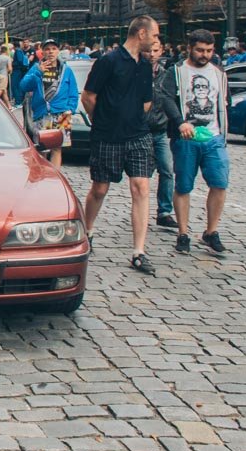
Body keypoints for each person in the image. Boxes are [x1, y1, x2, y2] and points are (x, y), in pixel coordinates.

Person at [81, 16, 160, 275]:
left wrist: (134, 117)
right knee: (100, 188)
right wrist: (103, 119)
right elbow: (88, 96)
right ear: (141, 33)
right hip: (107, 135)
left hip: (138, 135)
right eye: (154, 35)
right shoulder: (109, 61)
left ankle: (139, 251)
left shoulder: (145, 65)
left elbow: (147, 101)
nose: (156, 41)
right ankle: (87, 230)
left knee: (141, 187)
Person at [160, 29, 229, 255]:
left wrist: (223, 132)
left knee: (219, 183)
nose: (204, 55)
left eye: (209, 50)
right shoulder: (177, 71)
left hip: (214, 137)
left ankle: (211, 231)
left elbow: (222, 102)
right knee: (183, 185)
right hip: (185, 138)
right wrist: (180, 122)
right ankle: (183, 233)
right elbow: (166, 98)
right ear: (189, 48)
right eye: (200, 50)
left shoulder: (218, 73)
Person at [20, 39, 79, 168]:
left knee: (57, 149)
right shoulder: (36, 68)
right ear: (42, 52)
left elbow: (73, 92)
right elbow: (24, 86)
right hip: (42, 113)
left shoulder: (66, 70)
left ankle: (55, 175)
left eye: (53, 49)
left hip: (62, 114)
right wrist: (38, 72)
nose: (51, 52)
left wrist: (70, 109)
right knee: (42, 148)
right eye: (47, 49)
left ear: (58, 51)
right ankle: (43, 175)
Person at [144, 38, 177, 231]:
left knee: (167, 169)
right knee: (143, 174)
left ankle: (164, 211)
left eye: (155, 50)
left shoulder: (166, 75)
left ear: (161, 51)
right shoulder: (137, 72)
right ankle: (141, 209)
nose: (152, 54)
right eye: (149, 50)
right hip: (141, 131)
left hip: (160, 130)